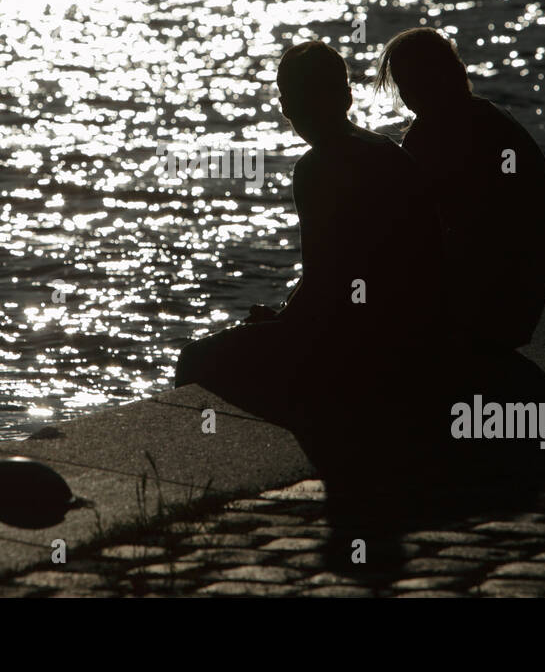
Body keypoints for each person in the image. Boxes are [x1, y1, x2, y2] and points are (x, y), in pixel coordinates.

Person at [174, 41, 442, 418]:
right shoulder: (388, 151)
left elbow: (322, 286)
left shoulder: (316, 169)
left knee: (196, 359)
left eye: (289, 100)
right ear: (346, 98)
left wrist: (281, 323)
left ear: (288, 107)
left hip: (363, 343)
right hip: (417, 329)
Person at [375, 27, 545, 351]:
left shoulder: (434, 135)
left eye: (408, 83)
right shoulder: (495, 120)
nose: (406, 95)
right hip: (520, 308)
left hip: (480, 313)